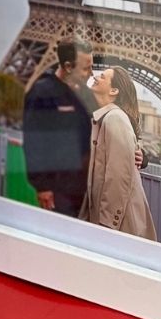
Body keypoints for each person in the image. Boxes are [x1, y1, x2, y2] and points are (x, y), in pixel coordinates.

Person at [81, 66, 157, 240]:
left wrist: (107, 224)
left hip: (117, 225)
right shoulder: (105, 116)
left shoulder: (114, 118)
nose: (97, 77)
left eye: (103, 76)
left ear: (114, 90)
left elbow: (118, 176)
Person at [21, 40, 94, 217]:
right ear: (68, 67)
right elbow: (33, 141)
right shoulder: (42, 92)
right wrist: (43, 186)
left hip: (83, 188)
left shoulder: (85, 94)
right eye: (86, 68)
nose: (91, 73)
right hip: (58, 189)